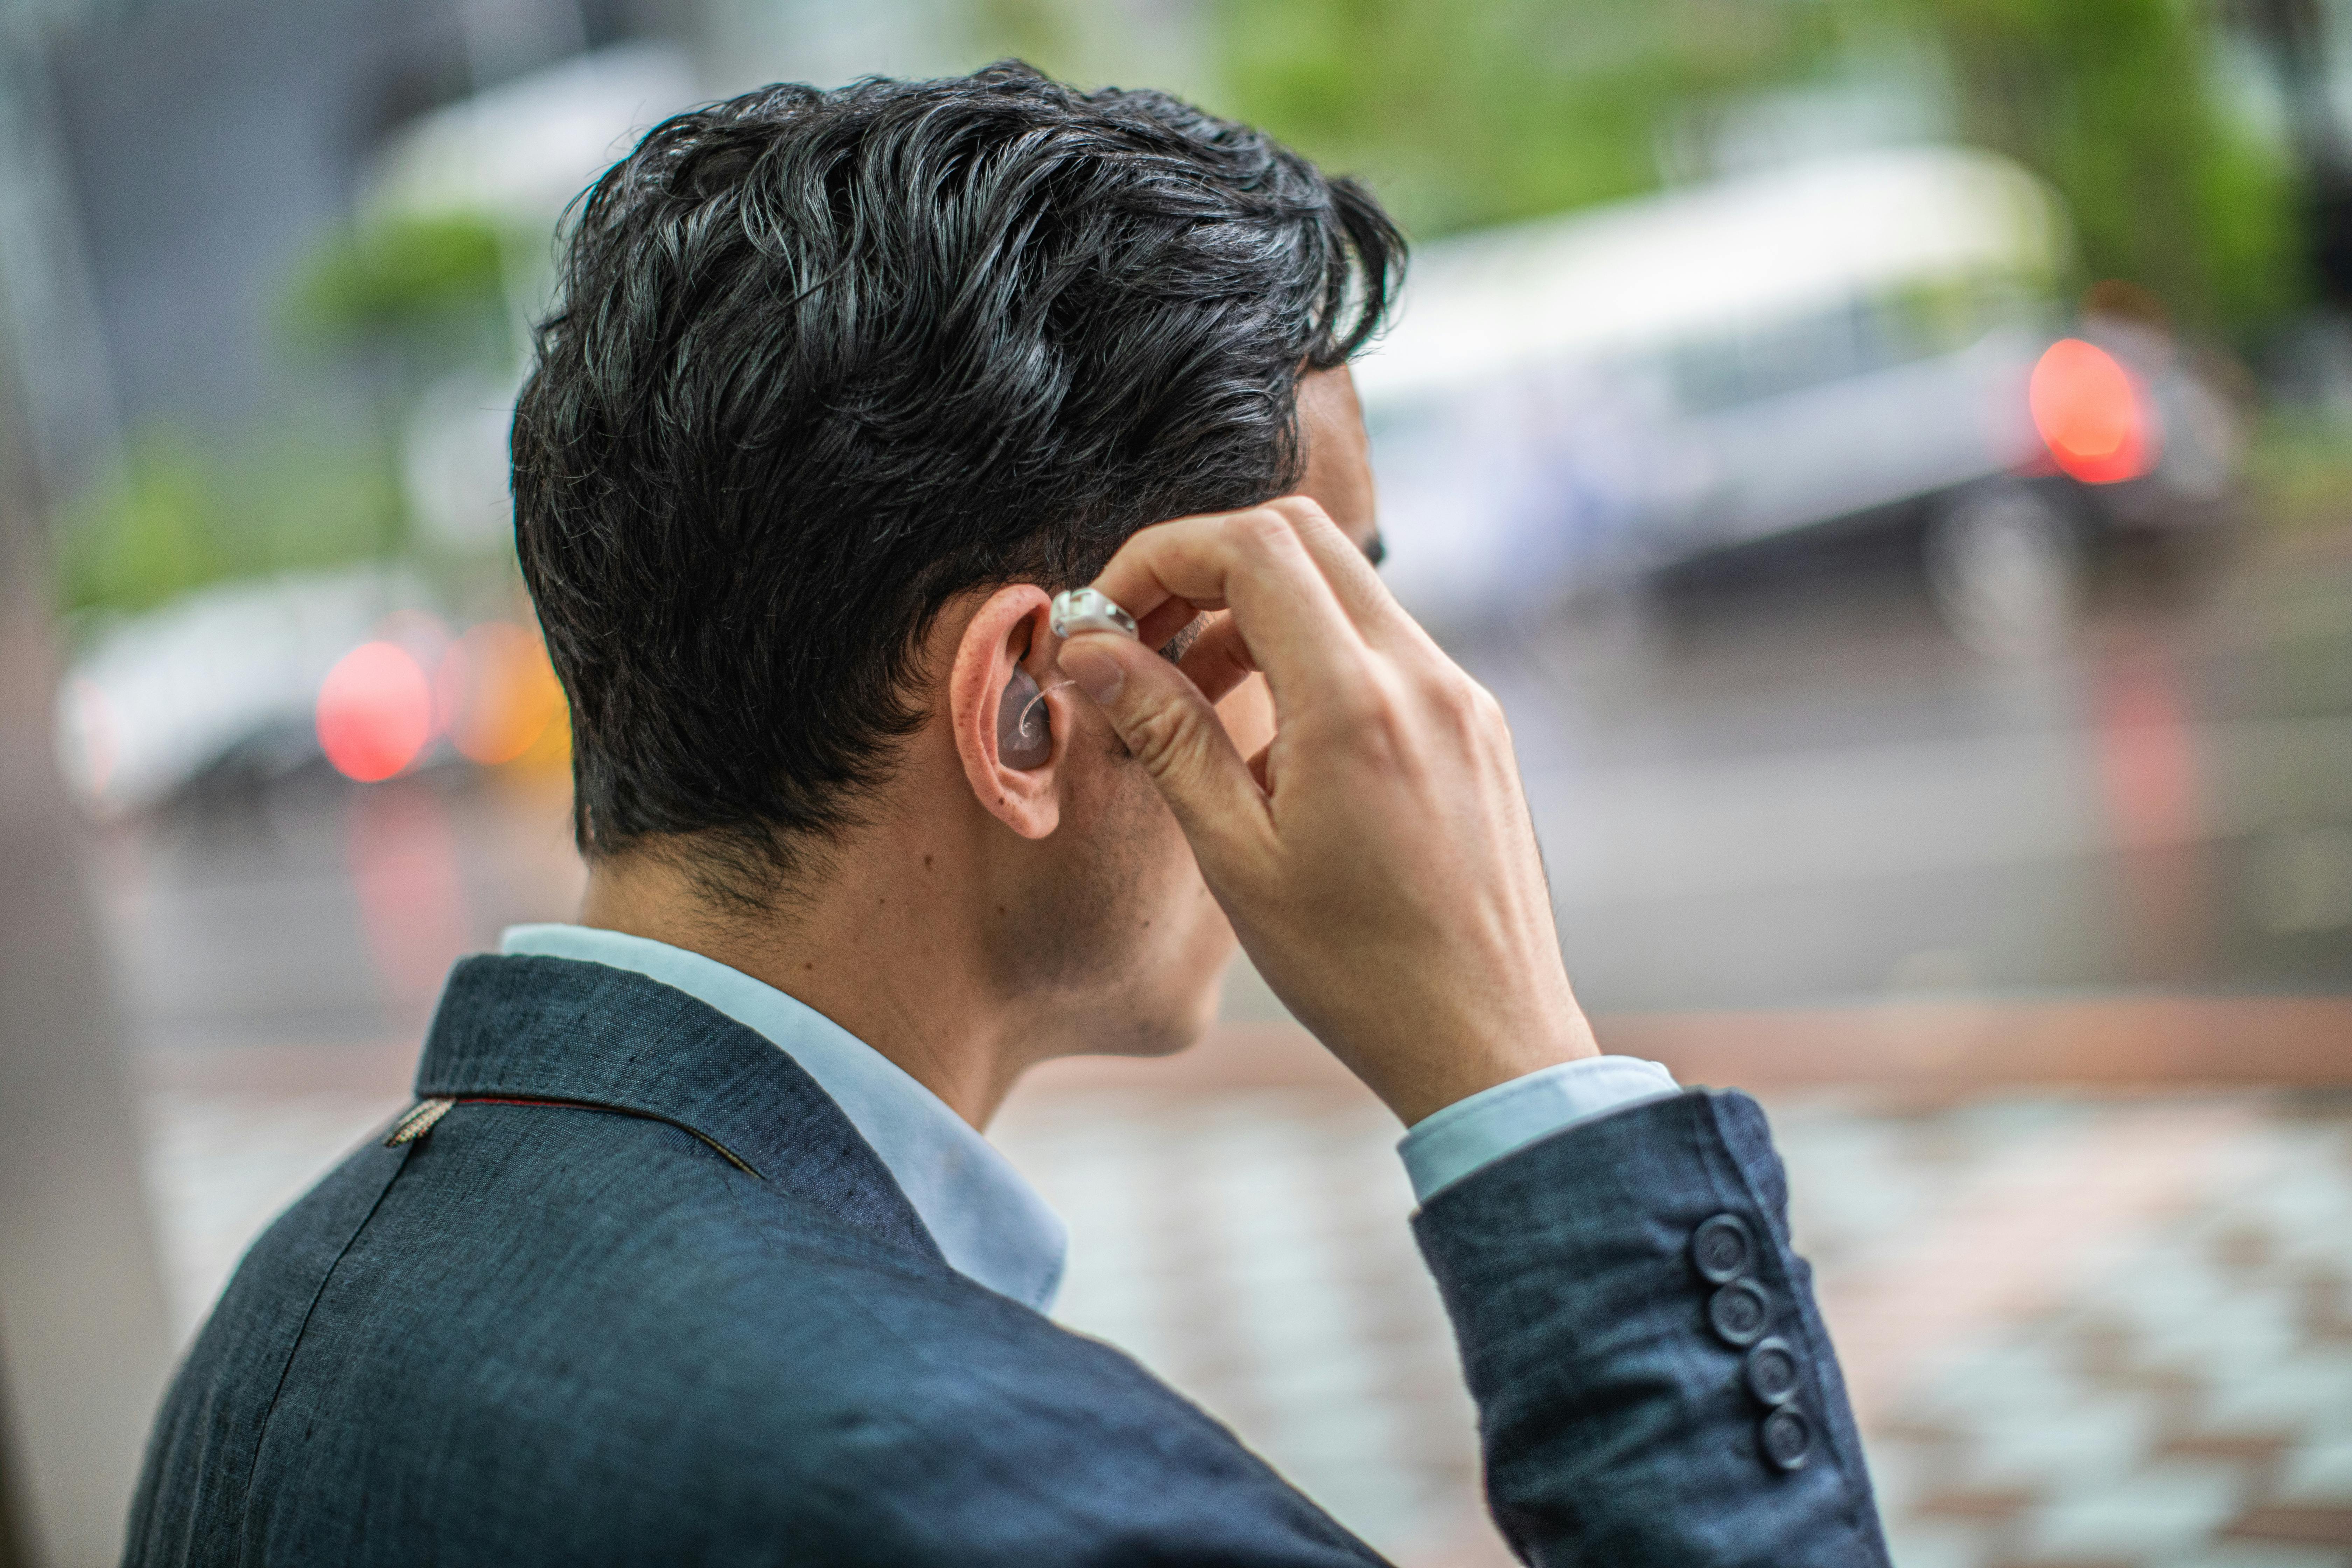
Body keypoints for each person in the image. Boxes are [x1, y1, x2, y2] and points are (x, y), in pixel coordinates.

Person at [126, 64, 1890, 1566]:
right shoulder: (988, 1486)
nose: (1412, 711)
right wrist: (1521, 1076)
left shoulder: (293, 1306)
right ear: (1033, 706)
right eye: (1322, 606)